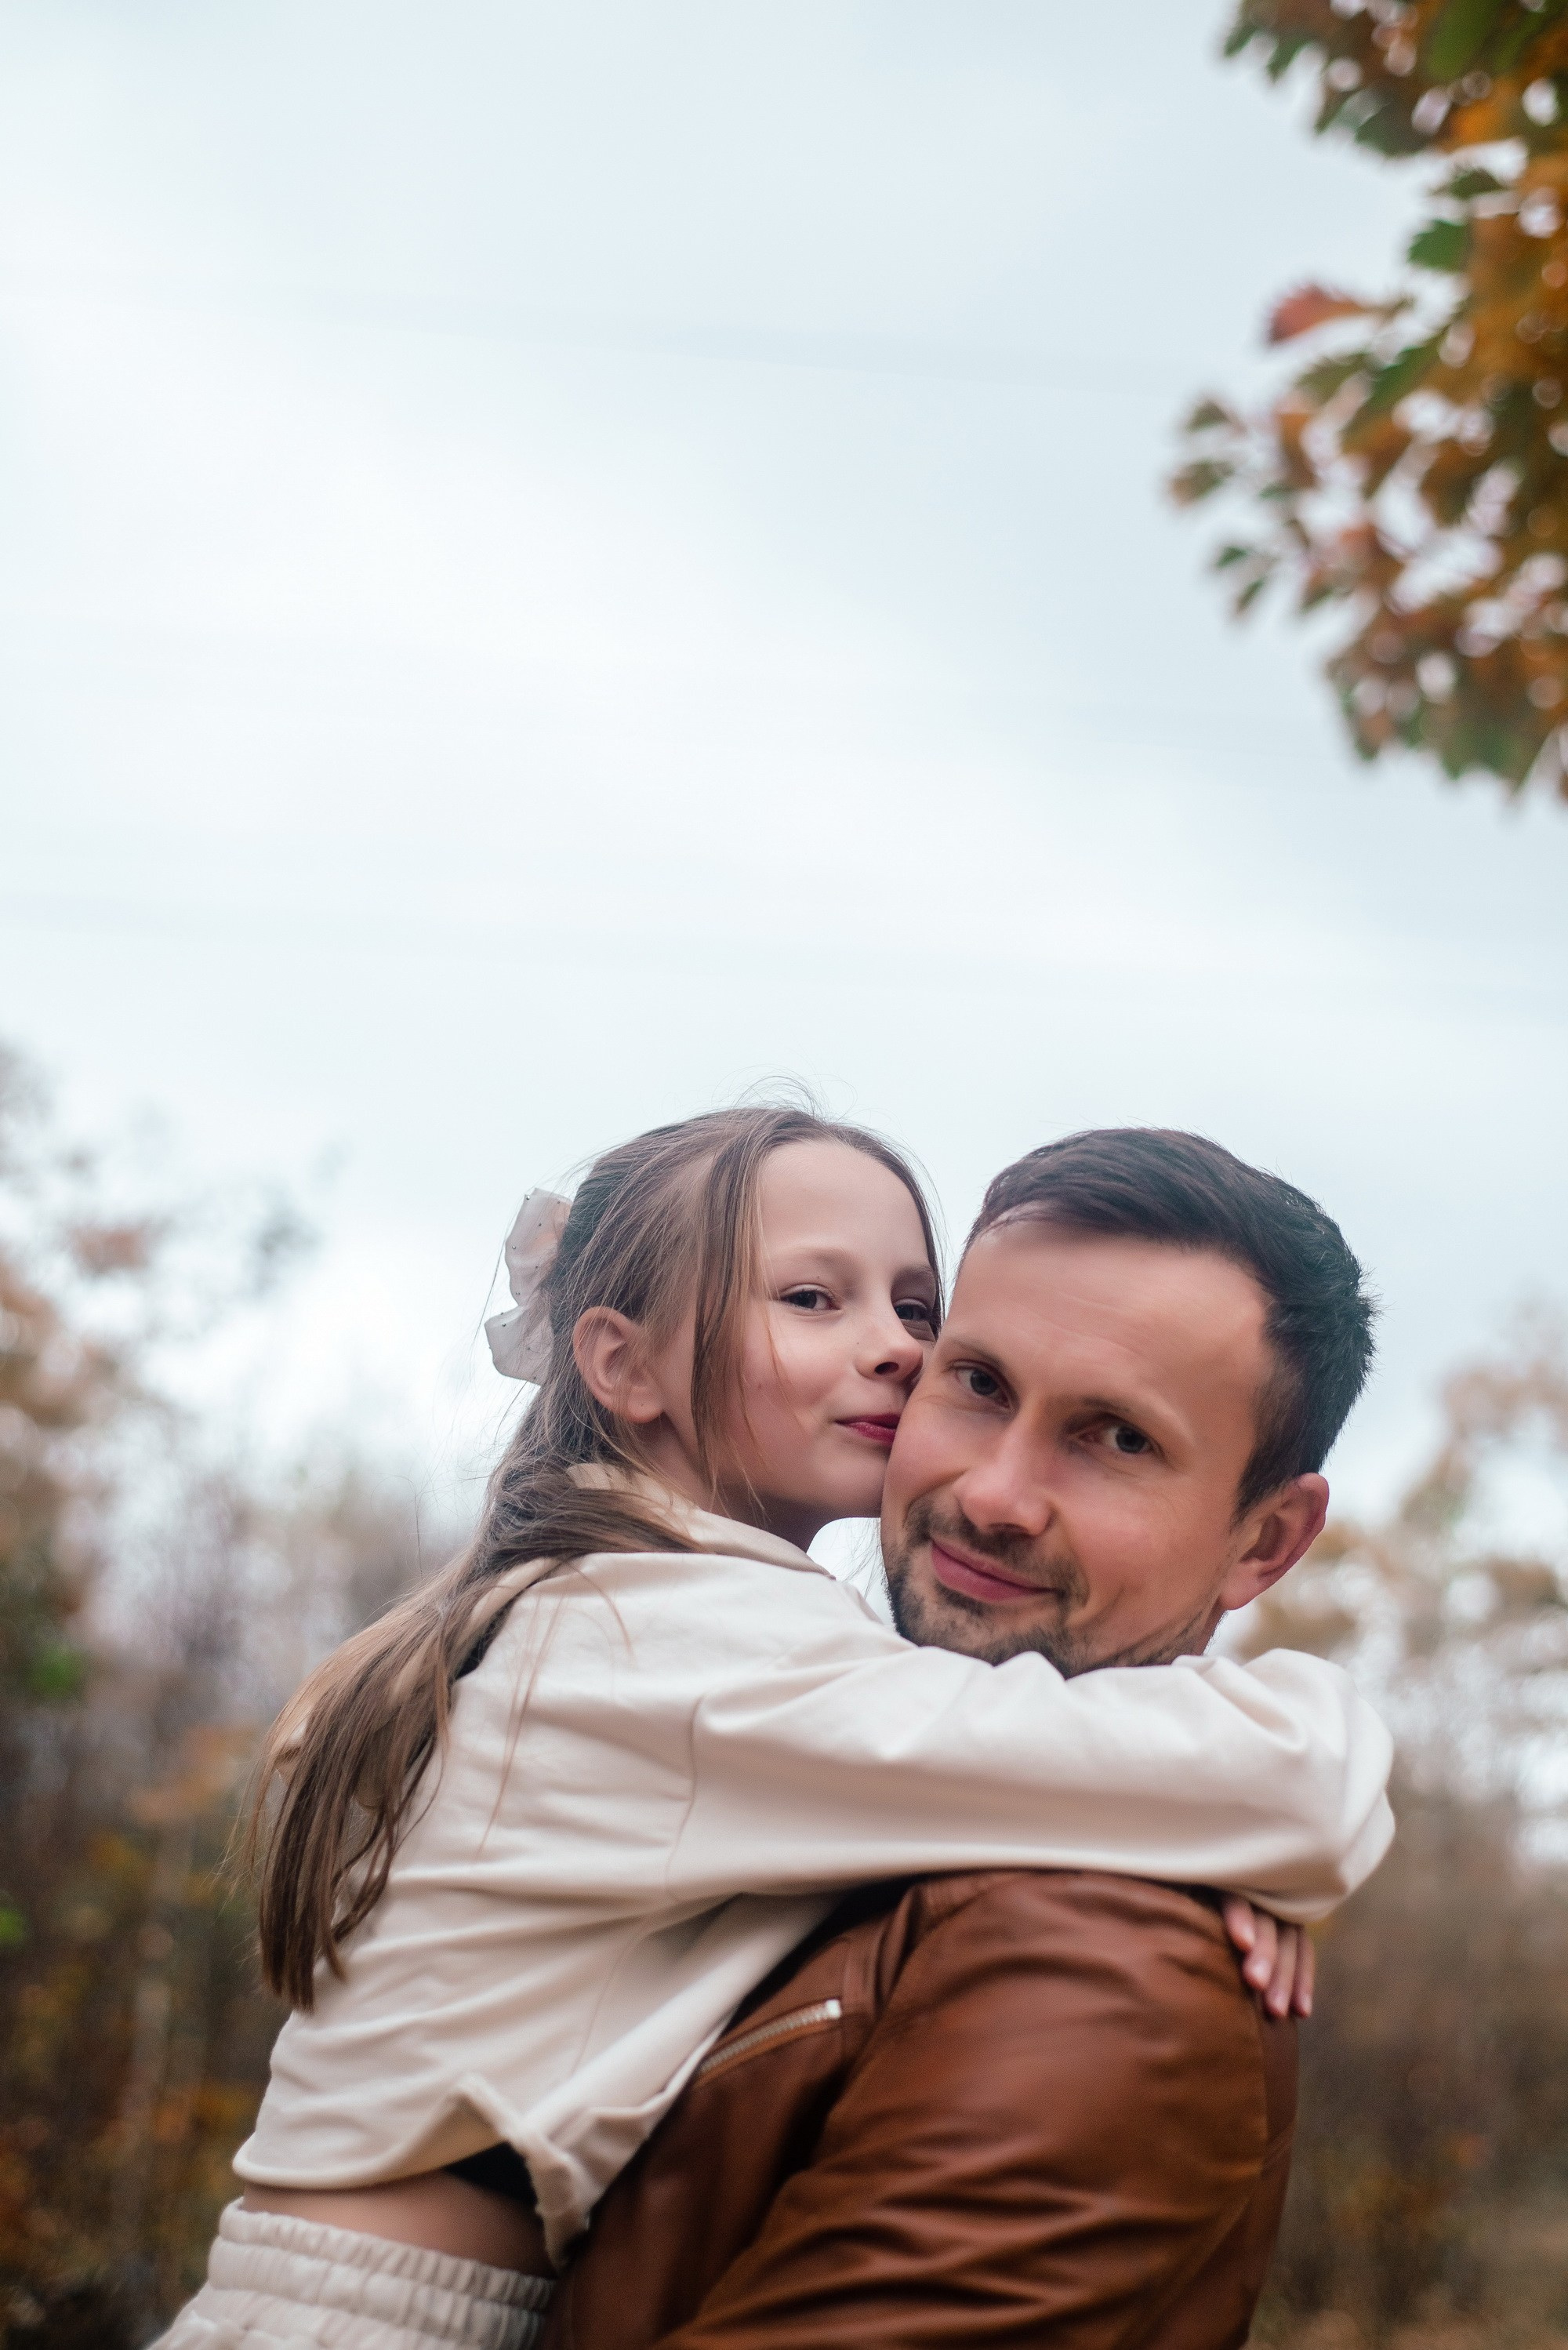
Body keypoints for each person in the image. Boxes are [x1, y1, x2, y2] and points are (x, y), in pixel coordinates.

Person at [154, 1108, 1392, 2350]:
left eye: (916, 1313)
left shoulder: (653, 1619)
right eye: (814, 1299)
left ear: (1269, 1539)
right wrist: (1234, 1816)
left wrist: (1187, 1836)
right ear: (623, 1365)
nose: (895, 1359)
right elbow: (1294, 1783)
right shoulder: (665, 1639)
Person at [546, 1125, 1384, 2346]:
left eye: (1117, 1438)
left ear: (1265, 1541)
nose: (993, 1494)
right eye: (979, 1383)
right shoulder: (831, 1791)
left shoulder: (1101, 1955)